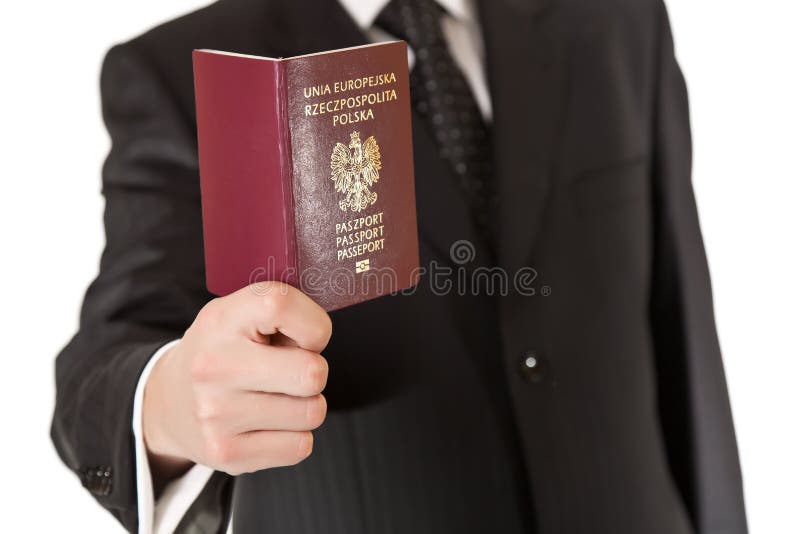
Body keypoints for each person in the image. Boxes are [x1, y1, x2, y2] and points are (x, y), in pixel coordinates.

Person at [51, 0, 748, 532]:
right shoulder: (188, 73)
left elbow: (679, 330)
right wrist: (172, 404)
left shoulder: (614, 18)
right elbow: (104, 366)